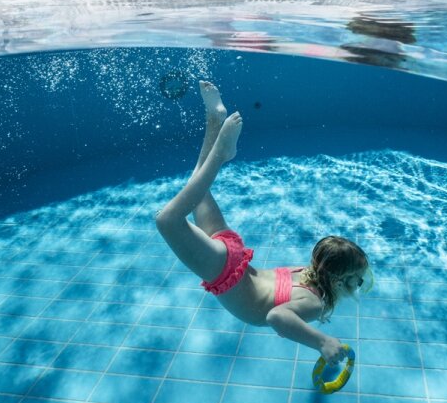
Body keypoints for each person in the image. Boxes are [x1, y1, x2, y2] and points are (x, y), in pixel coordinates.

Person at [155, 81, 371, 366]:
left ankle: (214, 119)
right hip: (224, 270)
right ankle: (220, 155)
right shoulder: (315, 303)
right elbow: (276, 316)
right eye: (356, 279)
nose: (358, 285)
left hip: (232, 250)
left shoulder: (305, 271)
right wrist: (322, 341)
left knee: (197, 188)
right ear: (336, 279)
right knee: (168, 221)